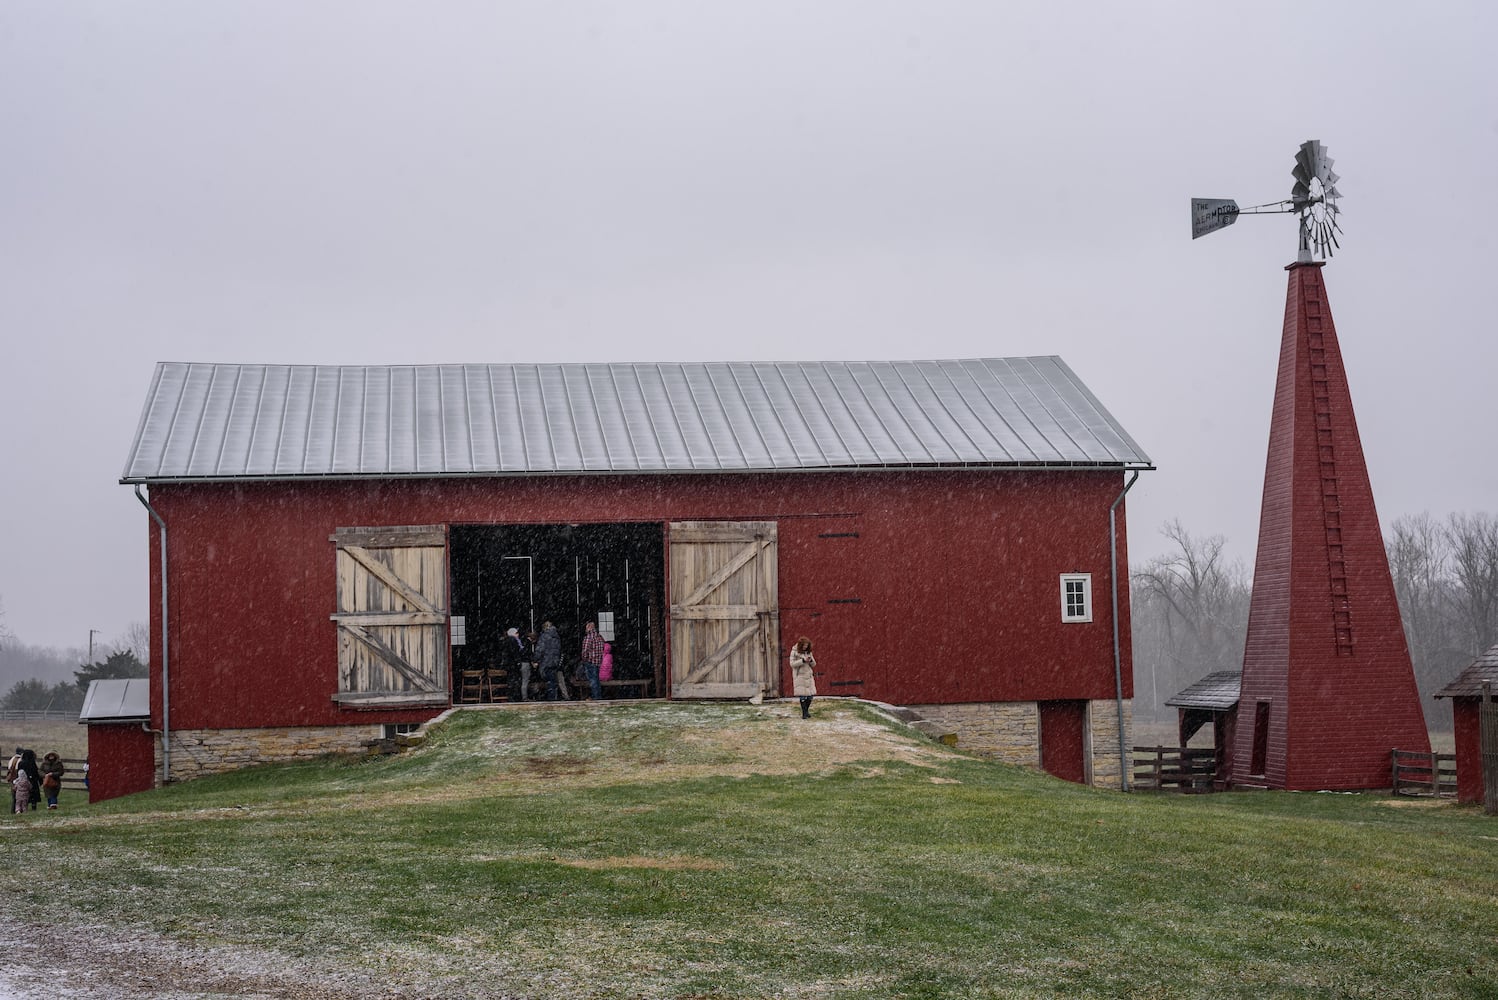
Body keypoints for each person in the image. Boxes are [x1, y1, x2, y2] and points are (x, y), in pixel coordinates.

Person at [537, 620, 568, 701]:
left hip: (546, 661)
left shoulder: (544, 637)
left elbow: (540, 649)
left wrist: (536, 659)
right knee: (553, 681)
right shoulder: (556, 636)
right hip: (555, 662)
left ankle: (551, 699)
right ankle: (554, 697)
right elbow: (559, 650)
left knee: (550, 681)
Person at [790, 636, 817, 719]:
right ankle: (804, 713)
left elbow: (814, 665)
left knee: (810, 696)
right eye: (804, 645)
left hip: (808, 676)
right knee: (803, 696)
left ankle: (806, 711)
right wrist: (802, 661)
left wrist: (810, 660)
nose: (805, 647)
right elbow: (792, 664)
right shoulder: (794, 652)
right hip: (800, 676)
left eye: (807, 645)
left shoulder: (808, 652)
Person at [580, 621, 605, 701]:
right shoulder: (600, 637)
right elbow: (602, 649)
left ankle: (595, 697)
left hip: (590, 662)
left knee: (593, 681)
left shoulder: (589, 637)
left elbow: (585, 650)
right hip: (597, 662)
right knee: (596, 680)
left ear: (589, 627)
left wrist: (584, 659)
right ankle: (598, 696)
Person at [506, 627, 531, 701]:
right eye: (516, 633)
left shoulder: (511, 641)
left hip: (511, 664)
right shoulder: (513, 641)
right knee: (514, 681)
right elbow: (515, 652)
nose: (518, 634)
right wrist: (518, 662)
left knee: (513, 680)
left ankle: (513, 696)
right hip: (513, 664)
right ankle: (514, 697)